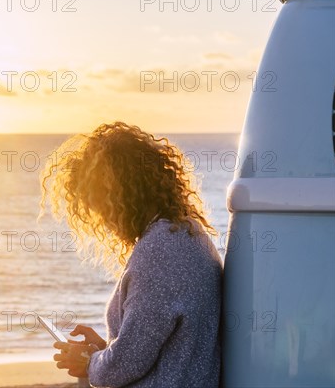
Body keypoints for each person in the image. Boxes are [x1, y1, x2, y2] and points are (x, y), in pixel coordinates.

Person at [40, 122, 223, 387]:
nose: (102, 219)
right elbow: (155, 351)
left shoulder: (160, 251)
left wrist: (90, 362)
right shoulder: (186, 232)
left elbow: (125, 365)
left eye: (100, 205)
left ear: (123, 194)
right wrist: (104, 349)